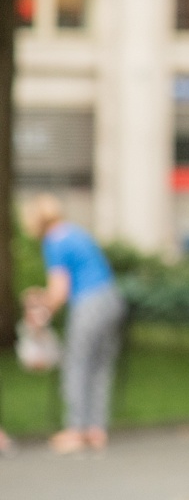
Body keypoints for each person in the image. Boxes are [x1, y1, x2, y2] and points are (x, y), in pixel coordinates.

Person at [21, 194, 126, 454]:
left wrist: (40, 309)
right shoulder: (76, 233)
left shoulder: (54, 242)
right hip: (111, 299)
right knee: (100, 365)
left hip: (88, 303)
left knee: (77, 363)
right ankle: (96, 429)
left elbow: (59, 291)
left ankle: (76, 429)